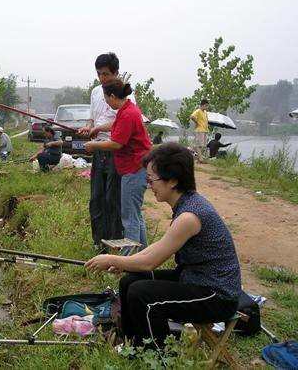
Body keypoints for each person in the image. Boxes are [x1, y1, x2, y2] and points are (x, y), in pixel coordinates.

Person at [85, 143, 242, 349]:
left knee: (143, 294)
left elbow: (150, 262)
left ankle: (157, 355)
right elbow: (159, 247)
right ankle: (132, 342)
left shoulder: (189, 216)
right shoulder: (186, 204)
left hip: (217, 295)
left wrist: (112, 259)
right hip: (194, 278)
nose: (149, 184)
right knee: (129, 282)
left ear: (174, 180)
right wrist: (126, 263)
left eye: (152, 179)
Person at [84, 79, 151, 252]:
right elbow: (115, 125)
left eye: (106, 100)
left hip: (134, 170)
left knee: (129, 218)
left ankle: (128, 261)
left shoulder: (128, 114)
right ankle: (143, 255)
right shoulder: (126, 109)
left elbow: (116, 144)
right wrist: (97, 129)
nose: (106, 103)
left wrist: (93, 145)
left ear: (113, 96)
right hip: (135, 169)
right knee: (136, 216)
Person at [77, 53, 126, 250]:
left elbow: (124, 121)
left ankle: (114, 243)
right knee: (96, 198)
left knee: (112, 199)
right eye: (99, 74)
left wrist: (98, 129)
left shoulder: (125, 92)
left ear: (116, 72)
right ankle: (98, 242)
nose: (102, 78)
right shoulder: (96, 92)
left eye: (106, 74)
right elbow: (92, 118)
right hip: (98, 150)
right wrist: (88, 128)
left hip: (115, 150)